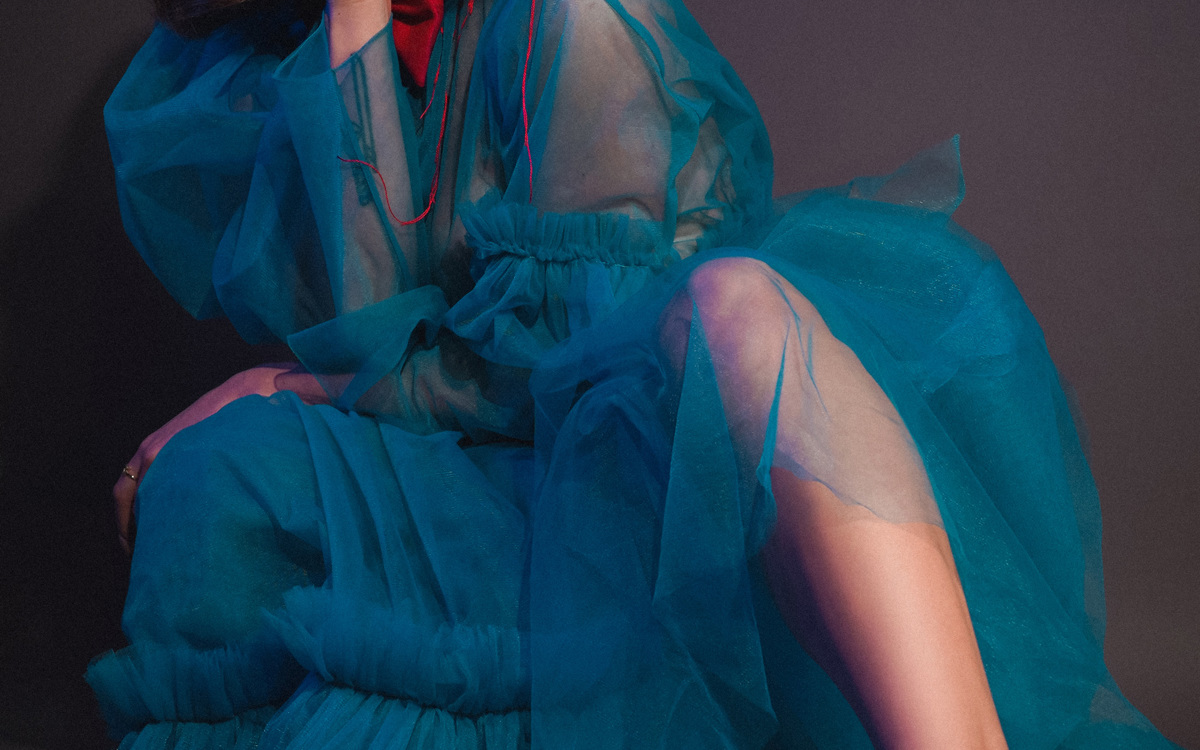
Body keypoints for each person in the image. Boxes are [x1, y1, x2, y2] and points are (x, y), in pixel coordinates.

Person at [86, 0, 1180, 747]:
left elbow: (556, 368)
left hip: (632, 477)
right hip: (468, 460)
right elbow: (366, 327)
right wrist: (356, 30)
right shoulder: (291, 51)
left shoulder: (574, 18)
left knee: (738, 308)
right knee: (211, 476)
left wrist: (298, 383)